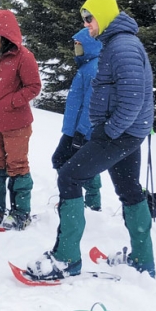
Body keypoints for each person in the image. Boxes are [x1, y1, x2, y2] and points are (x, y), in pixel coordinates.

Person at [27, 0, 155, 279]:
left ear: (105, 15)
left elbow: (133, 99)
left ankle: (65, 259)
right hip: (126, 133)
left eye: (90, 18)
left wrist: (107, 131)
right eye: (84, 20)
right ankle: (143, 261)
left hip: (119, 134)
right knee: (130, 190)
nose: (86, 25)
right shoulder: (116, 43)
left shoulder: (122, 47)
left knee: (69, 176)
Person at [0, 9, 42, 230]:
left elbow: (34, 87)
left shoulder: (23, 56)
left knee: (17, 166)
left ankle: (20, 212)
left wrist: (11, 102)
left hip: (16, 124)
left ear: (6, 36)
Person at [51, 28, 103, 211]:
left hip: (81, 131)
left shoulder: (94, 68)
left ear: (89, 44)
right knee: (71, 162)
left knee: (64, 161)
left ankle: (83, 202)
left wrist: (81, 131)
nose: (75, 47)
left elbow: (92, 104)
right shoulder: (87, 66)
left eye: (79, 44)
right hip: (73, 129)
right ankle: (81, 201)